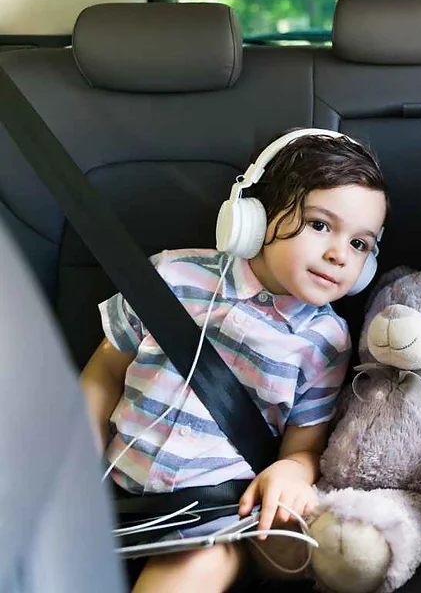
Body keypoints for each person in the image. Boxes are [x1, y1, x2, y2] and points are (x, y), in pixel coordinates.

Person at [79, 128, 389, 593]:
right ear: (251, 215)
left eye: (359, 244)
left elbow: (304, 446)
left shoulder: (327, 341)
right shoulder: (171, 274)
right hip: (108, 493)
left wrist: (291, 471)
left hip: (212, 520)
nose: (338, 255)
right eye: (320, 225)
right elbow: (105, 369)